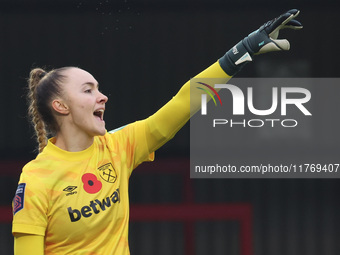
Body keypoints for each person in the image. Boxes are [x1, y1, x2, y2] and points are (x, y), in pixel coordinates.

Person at [12, 9, 302, 255]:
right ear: (61, 106)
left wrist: (242, 50)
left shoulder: (118, 146)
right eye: (88, 90)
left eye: (99, 89)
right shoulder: (36, 180)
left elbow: (183, 102)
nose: (103, 97)